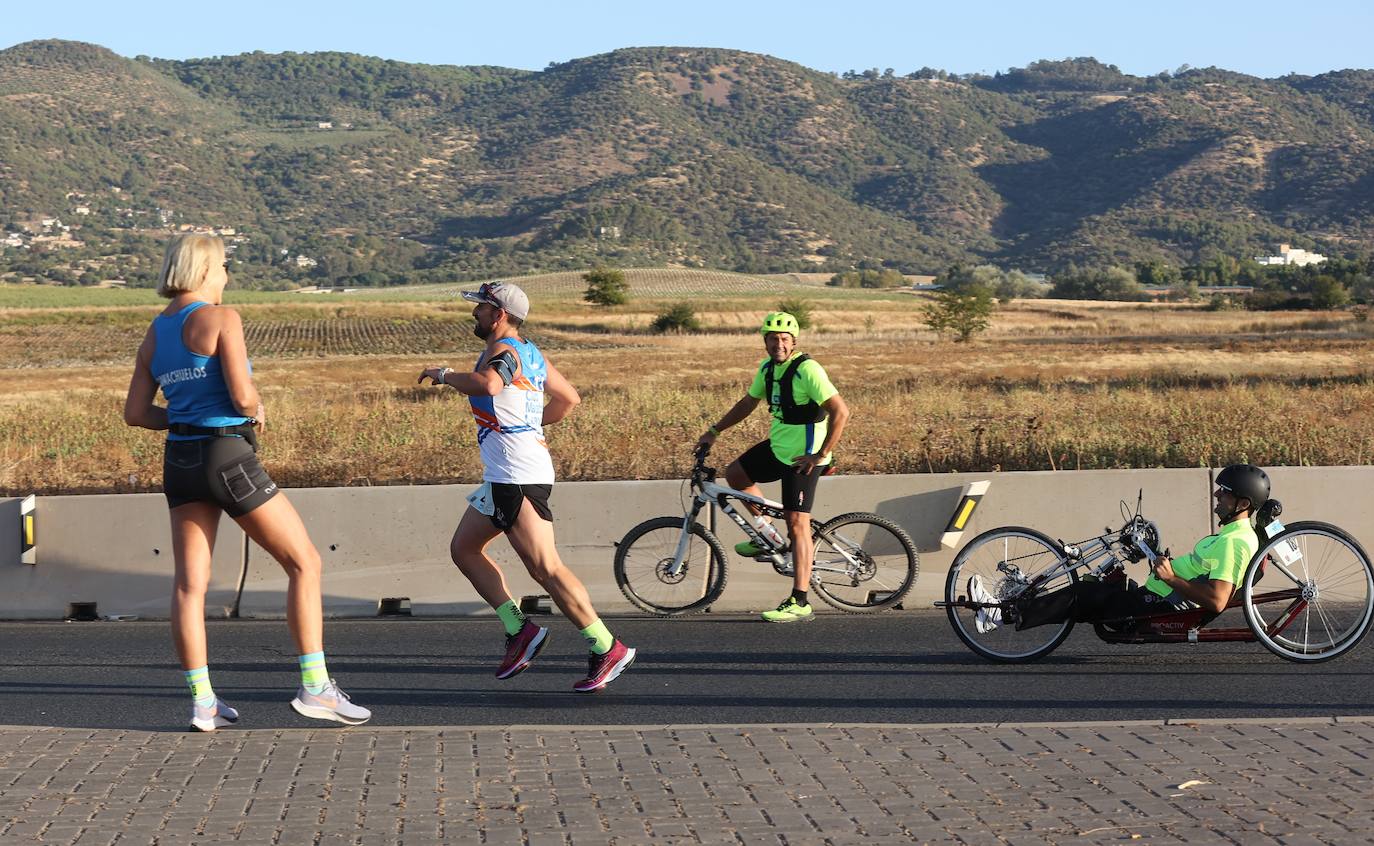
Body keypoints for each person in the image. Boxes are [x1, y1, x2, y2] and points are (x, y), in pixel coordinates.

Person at [123, 234, 370, 731]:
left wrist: (185, 417)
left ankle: (203, 702)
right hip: (228, 457)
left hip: (182, 463)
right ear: (208, 268)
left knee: (190, 586)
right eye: (224, 267)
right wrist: (256, 407)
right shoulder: (222, 319)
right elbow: (240, 397)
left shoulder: (155, 332)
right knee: (305, 563)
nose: (227, 277)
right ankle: (316, 687)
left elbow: (135, 413)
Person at [419, 281, 635, 692]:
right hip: (506, 474)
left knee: (545, 568)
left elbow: (490, 386)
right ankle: (519, 630)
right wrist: (528, 426)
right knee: (464, 549)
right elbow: (568, 398)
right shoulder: (530, 352)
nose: (475, 313)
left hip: (516, 476)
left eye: (481, 307)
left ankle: (607, 646)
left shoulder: (504, 353)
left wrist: (445, 374)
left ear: (498, 314)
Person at [970, 464, 1270, 633]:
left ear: (1242, 504)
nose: (1217, 494)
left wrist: (1169, 577)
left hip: (1163, 607)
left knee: (1085, 594)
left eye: (1225, 492)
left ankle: (1000, 615)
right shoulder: (1236, 535)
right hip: (1161, 594)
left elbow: (1217, 601)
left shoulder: (1234, 542)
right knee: (1099, 582)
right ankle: (1015, 606)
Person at [696, 312, 850, 623]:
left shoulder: (808, 370)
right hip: (779, 448)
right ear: (764, 341)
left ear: (794, 342)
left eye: (783, 339)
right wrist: (714, 431)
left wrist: (820, 455)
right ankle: (767, 535)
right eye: (772, 338)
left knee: (797, 524)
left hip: (804, 457)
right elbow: (747, 403)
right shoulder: (768, 369)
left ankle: (800, 600)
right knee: (736, 475)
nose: (778, 343)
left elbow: (841, 412)